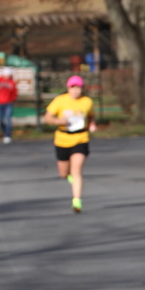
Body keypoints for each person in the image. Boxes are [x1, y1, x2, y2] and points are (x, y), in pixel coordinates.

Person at [44, 75, 96, 213]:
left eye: (78, 87)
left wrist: (92, 124)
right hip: (62, 139)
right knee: (63, 173)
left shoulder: (87, 102)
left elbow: (91, 115)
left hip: (80, 139)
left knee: (76, 170)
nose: (75, 90)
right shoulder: (60, 100)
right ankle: (68, 176)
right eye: (73, 87)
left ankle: (77, 201)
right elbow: (47, 117)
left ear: (82, 89)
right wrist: (58, 121)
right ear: (68, 88)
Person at [0, 67, 18, 144]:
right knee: (0, 120)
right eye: (6, 74)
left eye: (9, 74)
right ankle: (5, 132)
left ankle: (8, 135)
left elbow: (14, 92)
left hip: (8, 103)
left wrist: (12, 100)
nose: (7, 76)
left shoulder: (12, 82)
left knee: (8, 120)